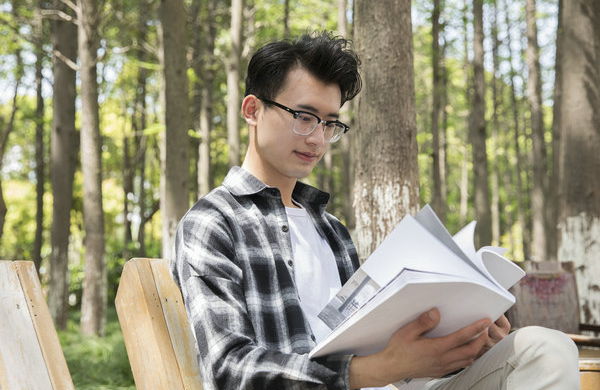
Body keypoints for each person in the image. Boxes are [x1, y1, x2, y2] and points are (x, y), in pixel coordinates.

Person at [170, 31, 580, 390]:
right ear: (253, 110)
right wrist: (365, 373)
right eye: (304, 117)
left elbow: (385, 354)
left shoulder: (332, 232)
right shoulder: (215, 223)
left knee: (543, 348)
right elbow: (228, 369)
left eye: (330, 123)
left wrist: (464, 342)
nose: (317, 138)